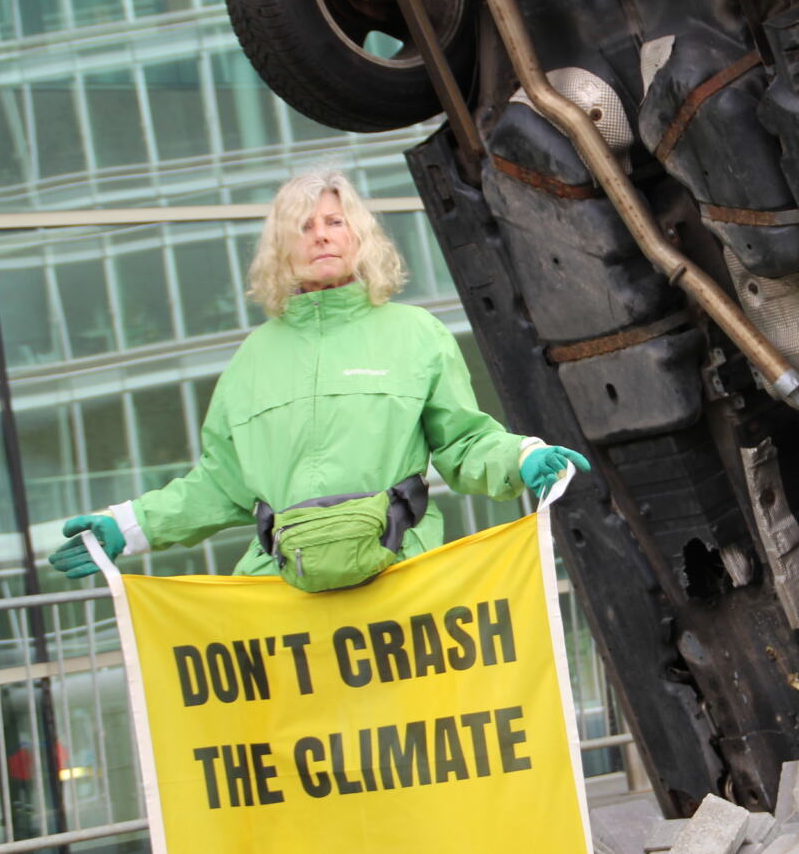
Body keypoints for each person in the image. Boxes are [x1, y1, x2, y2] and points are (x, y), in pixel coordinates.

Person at [47, 169, 588, 588]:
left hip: (401, 584)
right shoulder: (253, 359)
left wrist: (522, 459)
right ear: (283, 250)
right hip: (282, 602)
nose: (321, 236)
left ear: (359, 237)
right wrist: (127, 527)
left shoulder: (415, 334)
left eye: (334, 222)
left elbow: (464, 442)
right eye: (304, 227)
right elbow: (219, 483)